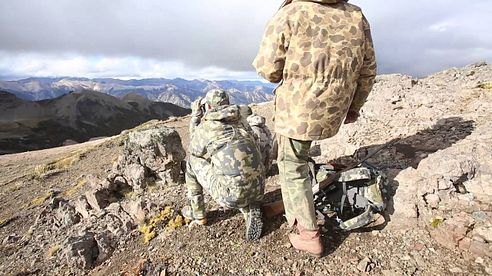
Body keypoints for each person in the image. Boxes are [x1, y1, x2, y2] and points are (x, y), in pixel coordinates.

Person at [253, 0, 377, 256]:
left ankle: (308, 234)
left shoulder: (291, 12)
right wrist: (354, 106)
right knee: (298, 156)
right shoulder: (355, 15)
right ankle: (294, 205)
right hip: (335, 109)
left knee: (291, 163)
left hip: (298, 111)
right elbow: (368, 70)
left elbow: (268, 70)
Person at [182, 89, 266, 241]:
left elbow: (194, 150)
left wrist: (195, 117)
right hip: (259, 187)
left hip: (230, 196)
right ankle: (248, 206)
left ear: (207, 107)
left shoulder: (207, 127)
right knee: (236, 168)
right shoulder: (242, 121)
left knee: (191, 162)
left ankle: (198, 214)